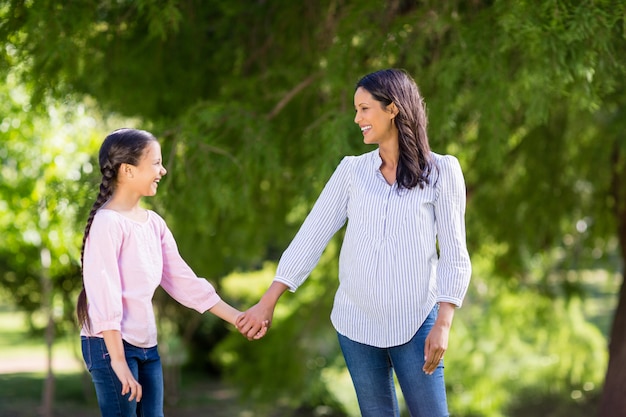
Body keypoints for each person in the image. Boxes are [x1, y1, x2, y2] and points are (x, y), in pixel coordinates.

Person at [236, 69, 471, 417]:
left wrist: (444, 323)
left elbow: (454, 253)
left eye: (364, 109)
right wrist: (268, 301)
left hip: (418, 321)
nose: (357, 118)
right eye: (356, 109)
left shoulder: (441, 171)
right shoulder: (351, 171)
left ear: (392, 109)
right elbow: (311, 235)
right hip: (356, 324)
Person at [76, 128, 265, 417]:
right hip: (109, 345)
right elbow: (105, 295)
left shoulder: (153, 224)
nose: (162, 170)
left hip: (145, 344)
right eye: (155, 163)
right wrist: (117, 361)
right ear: (128, 170)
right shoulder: (107, 224)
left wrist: (238, 318)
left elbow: (183, 281)